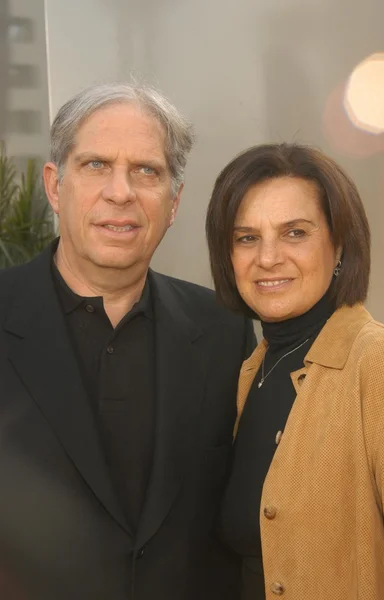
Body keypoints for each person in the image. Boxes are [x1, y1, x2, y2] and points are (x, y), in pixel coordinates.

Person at [0, 82, 255, 600]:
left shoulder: (225, 329)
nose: (122, 192)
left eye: (147, 171)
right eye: (96, 165)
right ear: (55, 185)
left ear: (174, 200)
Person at [206, 143, 384, 600]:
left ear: (340, 247)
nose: (268, 258)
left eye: (294, 233)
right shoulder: (252, 369)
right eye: (246, 237)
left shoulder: (382, 367)